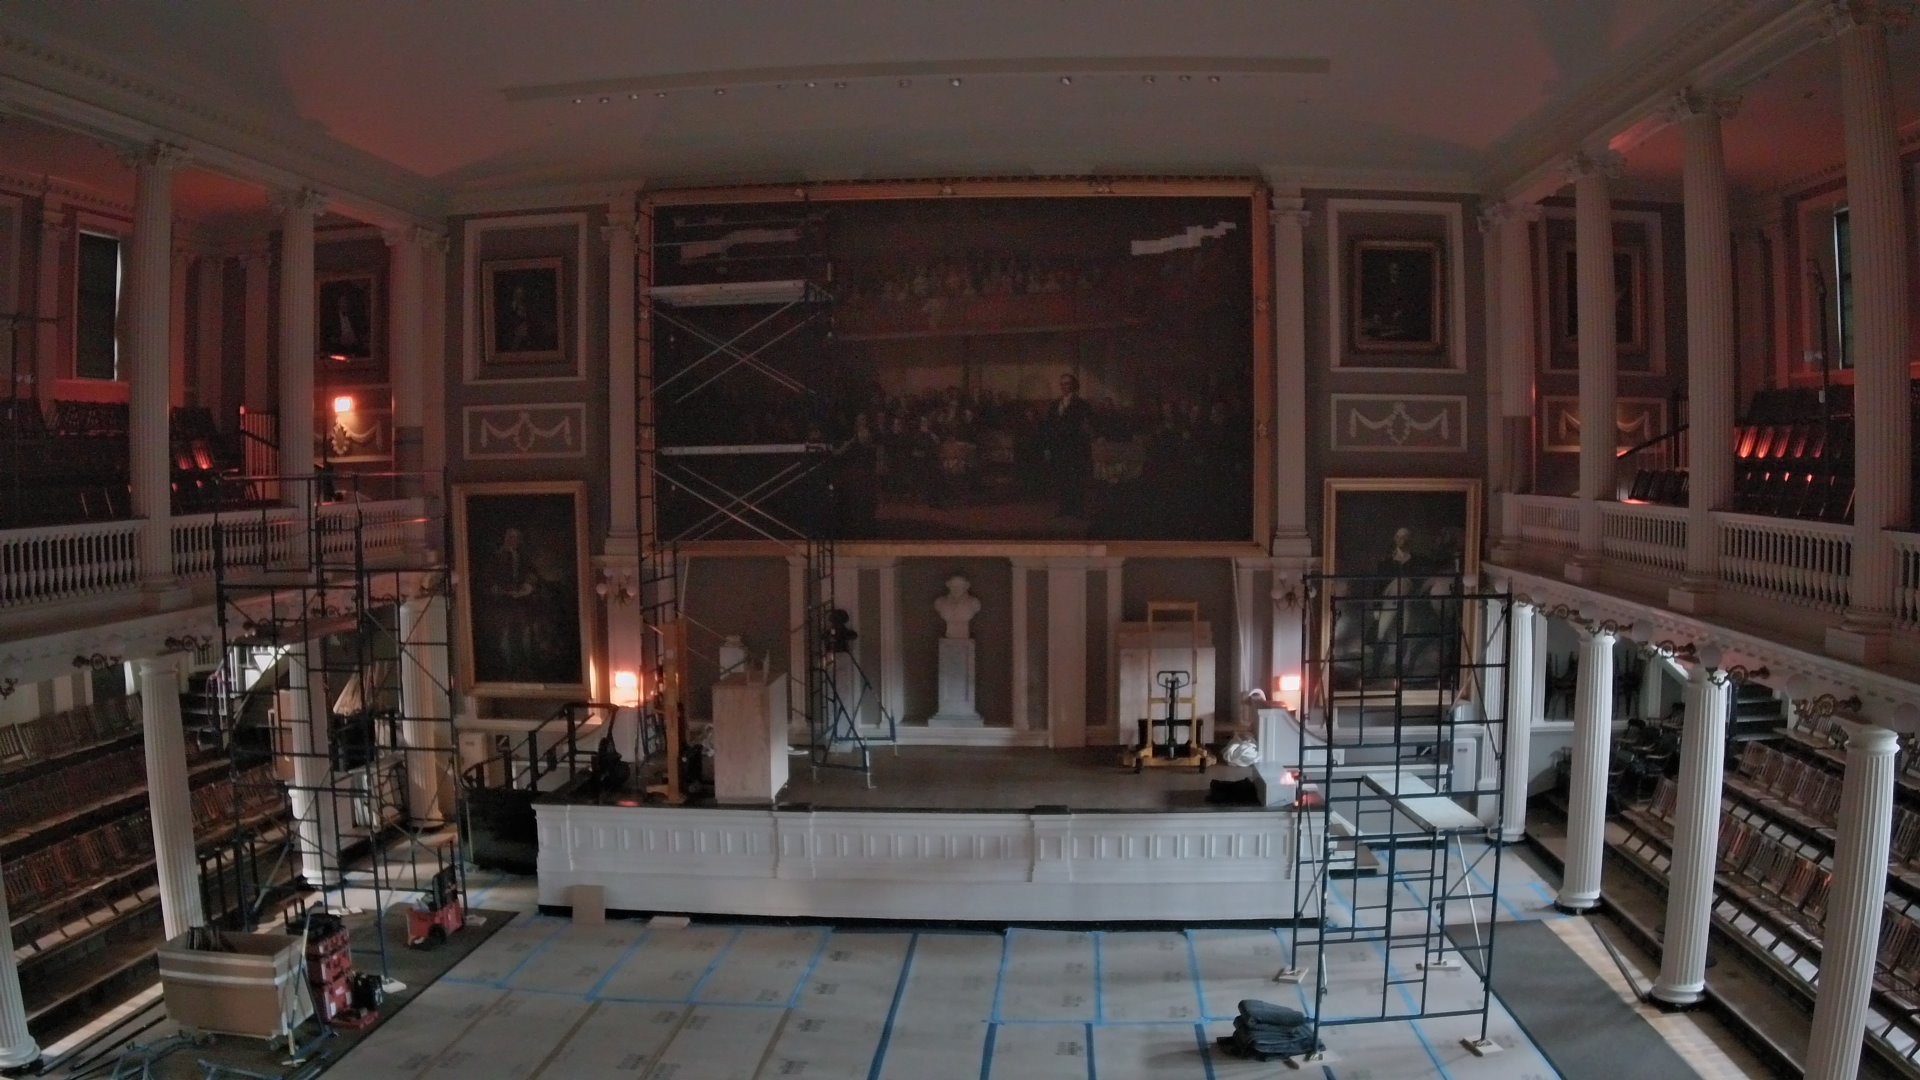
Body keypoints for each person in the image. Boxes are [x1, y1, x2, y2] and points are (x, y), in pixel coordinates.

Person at [485, 526, 543, 678]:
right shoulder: (496, 557)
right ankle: (508, 667)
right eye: (510, 537)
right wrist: (497, 589)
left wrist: (528, 585)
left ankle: (525, 666)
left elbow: (533, 574)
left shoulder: (523, 557)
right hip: (503, 603)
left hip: (521, 602)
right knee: (505, 635)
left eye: (516, 537)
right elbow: (490, 579)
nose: (513, 540)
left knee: (524, 633)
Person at [1039, 372, 1092, 518]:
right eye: (1062, 384)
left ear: (1073, 385)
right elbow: (1048, 427)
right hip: (1058, 449)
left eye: (1067, 383)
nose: (1064, 387)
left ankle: (1077, 510)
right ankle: (1064, 509)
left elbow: (1086, 427)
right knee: (1061, 479)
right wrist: (1047, 447)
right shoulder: (1055, 404)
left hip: (1074, 449)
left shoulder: (1082, 404)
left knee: (1075, 480)